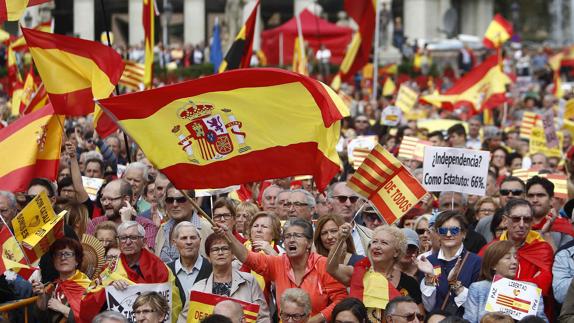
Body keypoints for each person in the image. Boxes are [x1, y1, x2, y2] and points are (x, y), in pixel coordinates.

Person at [215, 218, 347, 321]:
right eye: (288, 236)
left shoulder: (323, 265)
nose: (291, 240)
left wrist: (316, 320)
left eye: (297, 236)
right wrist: (228, 235)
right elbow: (246, 257)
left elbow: (341, 300)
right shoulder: (278, 263)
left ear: (309, 242)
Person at [80, 221, 181, 322]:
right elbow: (88, 302)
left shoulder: (159, 268)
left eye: (133, 237)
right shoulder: (109, 269)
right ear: (118, 241)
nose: (128, 242)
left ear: (144, 241)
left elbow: (172, 303)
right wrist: (109, 288)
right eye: (123, 238)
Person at [327, 225, 422, 322]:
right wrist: (340, 240)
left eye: (384, 243)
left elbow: (418, 316)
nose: (377, 246)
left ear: (396, 252)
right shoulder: (359, 272)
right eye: (374, 242)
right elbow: (331, 268)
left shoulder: (410, 283)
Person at [478, 199, 554, 321]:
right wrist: (529, 284)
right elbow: (482, 281)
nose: (522, 224)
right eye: (516, 219)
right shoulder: (490, 249)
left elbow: (543, 286)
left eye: (527, 219)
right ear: (504, 220)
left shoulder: (542, 248)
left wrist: (501, 286)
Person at [178, 232, 270, 323]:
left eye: (225, 248)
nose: (220, 252)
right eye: (215, 249)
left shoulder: (249, 282)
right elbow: (184, 320)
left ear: (233, 254)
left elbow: (263, 318)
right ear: (208, 257)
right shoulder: (197, 289)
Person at [463, 241, 547, 323]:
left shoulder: (531, 289)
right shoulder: (478, 288)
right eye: (508, 258)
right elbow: (469, 320)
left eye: (515, 257)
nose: (514, 262)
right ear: (493, 265)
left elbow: (541, 320)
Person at [417, 211, 482, 315]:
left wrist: (454, 284)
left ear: (464, 234)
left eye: (454, 230)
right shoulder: (428, 262)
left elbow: (476, 305)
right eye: (443, 230)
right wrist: (430, 276)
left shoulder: (476, 262)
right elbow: (429, 307)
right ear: (437, 234)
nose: (448, 234)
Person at [86, 179, 158, 249]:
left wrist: (127, 224)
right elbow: (87, 255)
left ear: (126, 199)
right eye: (103, 199)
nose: (106, 203)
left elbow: (148, 257)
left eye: (111, 199)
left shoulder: (146, 225)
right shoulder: (95, 223)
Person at [32, 238, 91, 322]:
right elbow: (40, 318)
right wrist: (41, 295)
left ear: (77, 260)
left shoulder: (87, 287)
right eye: (58, 254)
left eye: (68, 254)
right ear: (53, 261)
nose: (63, 258)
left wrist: (62, 308)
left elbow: (88, 319)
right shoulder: (52, 286)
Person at [155, 184, 212, 262]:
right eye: (170, 200)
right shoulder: (162, 229)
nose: (174, 204)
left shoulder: (207, 228)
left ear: (193, 203)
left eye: (181, 200)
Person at [167, 221, 212, 304]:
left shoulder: (212, 268)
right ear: (174, 243)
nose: (189, 242)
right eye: (184, 238)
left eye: (193, 238)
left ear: (200, 240)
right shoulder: (167, 271)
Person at [526, 176, 573, 249]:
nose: (535, 200)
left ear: (551, 200)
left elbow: (563, 259)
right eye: (530, 196)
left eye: (540, 195)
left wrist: (547, 235)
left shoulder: (564, 228)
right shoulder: (518, 225)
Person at [475, 176, 525, 242]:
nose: (510, 195)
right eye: (505, 192)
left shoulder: (530, 223)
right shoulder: (484, 223)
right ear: (499, 195)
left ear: (524, 195)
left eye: (516, 192)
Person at [329, 182, 371, 256]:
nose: (348, 204)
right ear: (330, 203)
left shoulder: (370, 235)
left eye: (353, 199)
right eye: (342, 198)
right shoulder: (319, 234)